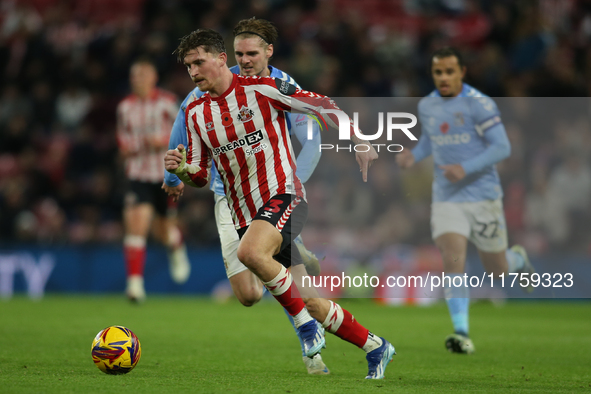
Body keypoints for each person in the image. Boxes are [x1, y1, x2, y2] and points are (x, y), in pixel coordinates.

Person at [164, 28, 395, 379]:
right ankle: (376, 346)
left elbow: (321, 104)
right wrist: (181, 168)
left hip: (283, 195)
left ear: (221, 59)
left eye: (199, 62)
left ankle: (304, 329)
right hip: (243, 212)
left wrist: (359, 140)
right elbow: (199, 176)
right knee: (313, 302)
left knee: (250, 253)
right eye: (188, 66)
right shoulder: (195, 112)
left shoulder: (262, 87)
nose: (193, 72)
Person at [162, 18, 326, 375]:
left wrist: (294, 184)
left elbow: (311, 137)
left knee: (277, 270)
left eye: (252, 54)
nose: (245, 61)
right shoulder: (208, 86)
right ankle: (293, 251)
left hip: (275, 193)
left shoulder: (279, 85)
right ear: (227, 56)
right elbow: (183, 123)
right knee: (249, 295)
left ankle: (311, 349)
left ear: (269, 52)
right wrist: (171, 174)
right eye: (239, 54)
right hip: (230, 198)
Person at [395, 47, 535, 354]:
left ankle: (518, 260)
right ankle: (461, 332)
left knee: (496, 268)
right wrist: (413, 156)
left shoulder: (479, 104)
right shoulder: (428, 105)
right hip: (446, 198)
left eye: (449, 72)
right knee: (452, 257)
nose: (443, 78)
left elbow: (502, 147)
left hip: (483, 197)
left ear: (462, 73)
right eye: (437, 72)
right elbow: (431, 140)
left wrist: (465, 168)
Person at [116, 58, 191, 303]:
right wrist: (129, 148)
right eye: (134, 76)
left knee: (163, 232)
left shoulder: (168, 104)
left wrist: (163, 142)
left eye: (142, 75)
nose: (137, 80)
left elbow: (186, 133)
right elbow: (122, 141)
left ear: (153, 78)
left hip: (165, 175)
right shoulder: (125, 107)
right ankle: (135, 286)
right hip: (137, 174)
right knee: (137, 225)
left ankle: (175, 245)